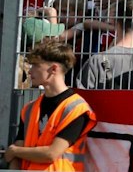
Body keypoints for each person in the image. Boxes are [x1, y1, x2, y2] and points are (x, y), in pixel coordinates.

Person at [6, 39, 95, 172]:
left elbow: (51, 154)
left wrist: (14, 151)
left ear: (53, 69)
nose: (30, 72)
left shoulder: (77, 109)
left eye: (35, 65)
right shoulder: (29, 109)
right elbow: (15, 155)